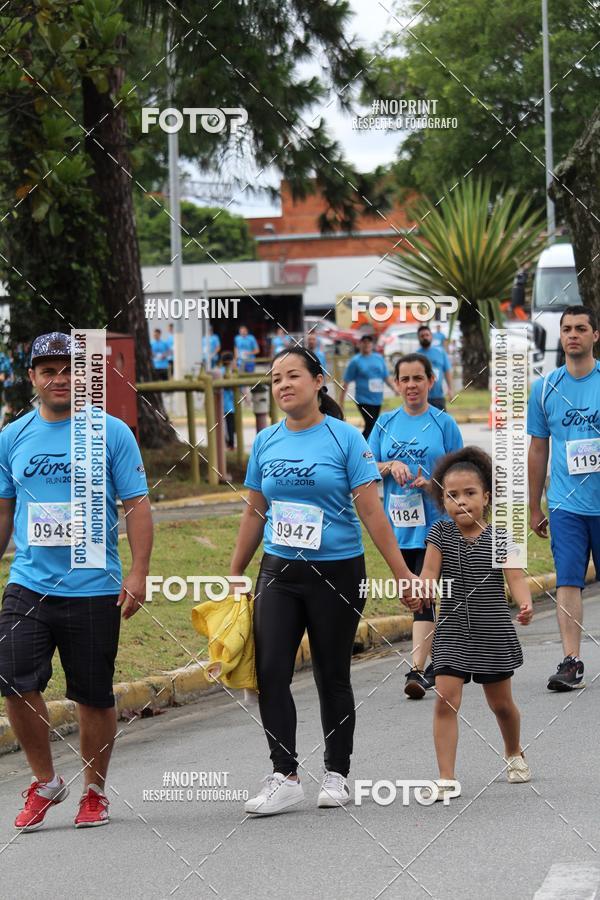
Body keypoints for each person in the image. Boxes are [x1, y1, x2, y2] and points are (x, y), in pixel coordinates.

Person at [230, 347, 420, 815]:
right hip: (279, 571)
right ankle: (284, 774)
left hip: (337, 571)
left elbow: (372, 511)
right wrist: (235, 570)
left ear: (319, 382)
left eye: (292, 376)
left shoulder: (346, 440)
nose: (283, 386)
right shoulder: (267, 441)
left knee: (331, 674)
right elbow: (256, 508)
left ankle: (337, 772)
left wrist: (403, 574)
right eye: (275, 380)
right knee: (270, 671)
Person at [0, 332, 152, 831]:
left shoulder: (111, 433)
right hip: (28, 582)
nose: (59, 379)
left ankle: (93, 789)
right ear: (32, 378)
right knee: (13, 675)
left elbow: (137, 507)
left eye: (68, 369)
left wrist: (138, 571)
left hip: (93, 584)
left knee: (92, 694)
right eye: (48, 371)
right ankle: (45, 781)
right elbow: (5, 513)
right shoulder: (11, 436)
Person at [417, 447, 533, 801]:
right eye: (452, 495)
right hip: (451, 632)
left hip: (493, 632)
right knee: (444, 701)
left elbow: (515, 578)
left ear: (485, 496)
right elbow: (429, 574)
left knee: (501, 705)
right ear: (442, 499)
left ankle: (514, 751)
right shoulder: (439, 533)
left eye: (470, 493)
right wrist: (421, 589)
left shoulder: (500, 538)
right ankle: (446, 778)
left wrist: (525, 601)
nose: (461, 501)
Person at [368, 354, 463, 699]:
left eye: (418, 378)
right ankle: (440, 662)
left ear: (431, 382)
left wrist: (433, 485)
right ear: (396, 383)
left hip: (437, 525)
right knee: (417, 598)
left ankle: (419, 669)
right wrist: (390, 465)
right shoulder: (385, 422)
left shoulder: (443, 424)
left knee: (425, 597)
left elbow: (461, 476)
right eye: (405, 379)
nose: (411, 385)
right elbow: (366, 468)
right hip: (399, 526)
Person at [527, 305, 600, 692]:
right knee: (568, 580)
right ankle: (571, 661)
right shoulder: (545, 389)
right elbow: (538, 449)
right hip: (566, 504)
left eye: (581, 328)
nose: (573, 335)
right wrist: (534, 503)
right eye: (567, 329)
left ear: (595, 335)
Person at [339, 334, 397, 439]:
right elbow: (346, 382)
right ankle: (361, 447)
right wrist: (341, 402)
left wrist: (395, 388)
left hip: (377, 399)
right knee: (371, 424)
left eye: (369, 342)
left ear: (372, 344)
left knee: (373, 425)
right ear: (359, 344)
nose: (367, 344)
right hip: (363, 400)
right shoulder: (355, 361)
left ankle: (368, 448)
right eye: (364, 342)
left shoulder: (379, 358)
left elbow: (386, 377)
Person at [416, 325, 453, 411]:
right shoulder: (416, 356)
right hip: (422, 398)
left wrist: (450, 389)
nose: (425, 337)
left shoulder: (440, 352)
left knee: (441, 422)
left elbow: (447, 371)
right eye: (422, 336)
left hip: (438, 397)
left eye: (427, 335)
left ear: (431, 336)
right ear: (418, 338)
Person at [219, 351, 236, 449]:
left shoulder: (220, 371)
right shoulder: (228, 372)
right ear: (230, 361)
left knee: (223, 425)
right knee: (230, 425)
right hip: (228, 404)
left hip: (221, 404)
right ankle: (231, 445)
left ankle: (226, 443)